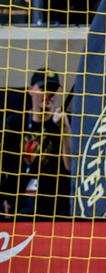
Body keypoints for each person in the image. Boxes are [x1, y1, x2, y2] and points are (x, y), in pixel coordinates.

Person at [0, 67, 72, 219]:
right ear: (31, 90)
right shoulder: (15, 123)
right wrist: (4, 197)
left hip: (52, 207)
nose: (49, 94)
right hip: (19, 204)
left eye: (52, 90)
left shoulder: (63, 123)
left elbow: (70, 166)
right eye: (44, 88)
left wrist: (65, 131)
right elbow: (5, 164)